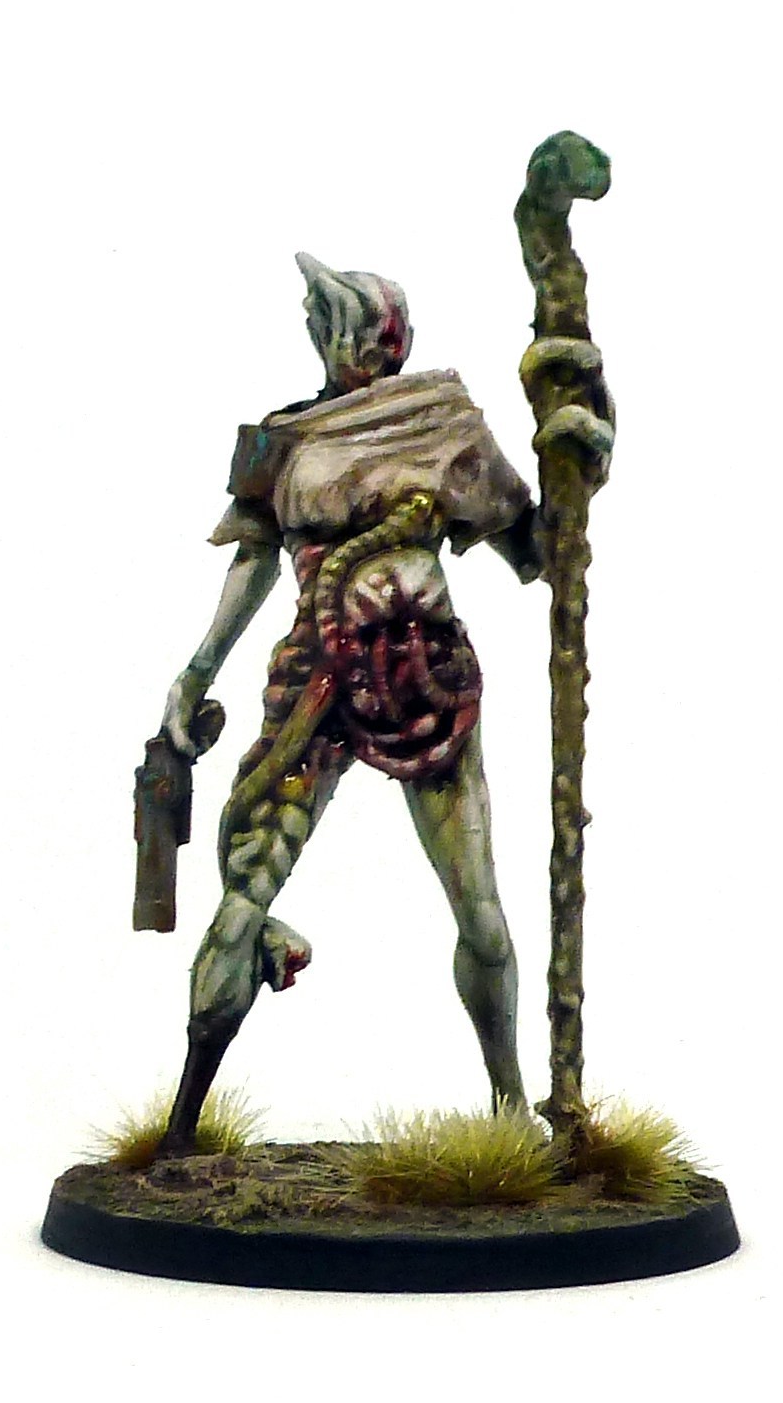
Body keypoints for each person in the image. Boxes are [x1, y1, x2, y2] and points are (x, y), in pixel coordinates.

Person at [153, 252, 550, 1155]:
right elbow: (252, 557)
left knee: (479, 909)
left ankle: (513, 1108)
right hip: (313, 681)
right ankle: (180, 1131)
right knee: (242, 903)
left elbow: (535, 552)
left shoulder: (443, 422)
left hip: (424, 682)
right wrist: (196, 671)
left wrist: (580, 455)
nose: (345, 345)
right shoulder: (277, 439)